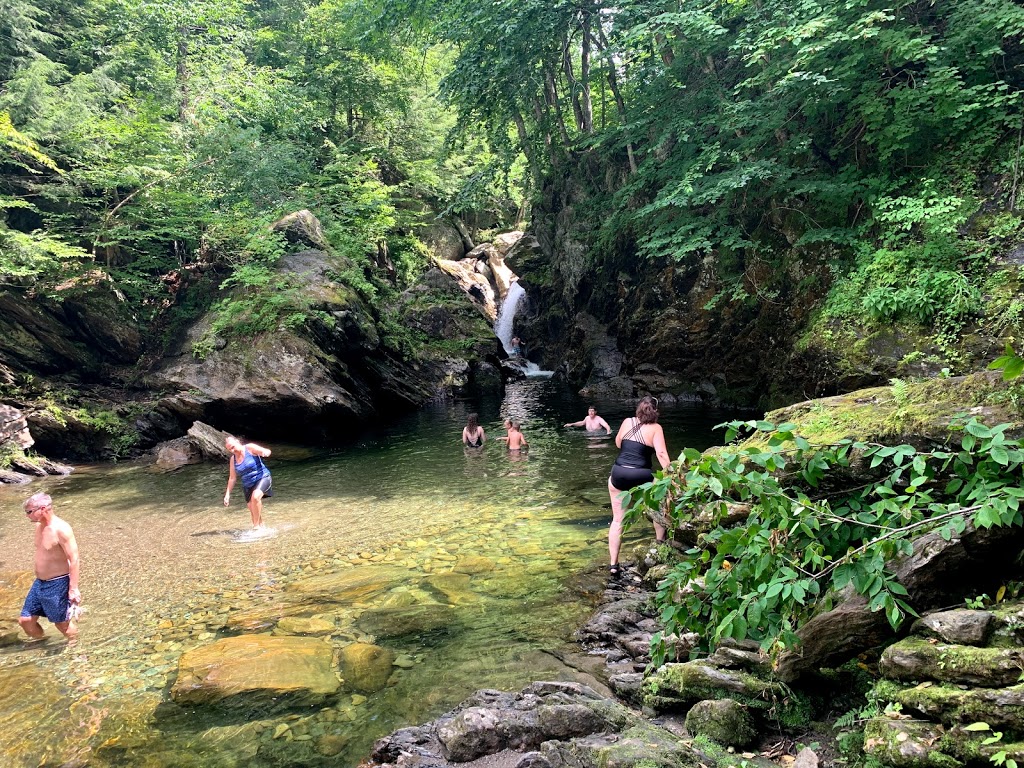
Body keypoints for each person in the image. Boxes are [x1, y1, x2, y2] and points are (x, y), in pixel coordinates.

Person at [607, 396, 671, 579]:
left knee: (618, 520)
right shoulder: (656, 428)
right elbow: (661, 454)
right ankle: (660, 544)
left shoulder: (628, 421)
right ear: (656, 411)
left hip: (618, 473)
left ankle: (613, 565)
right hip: (642, 475)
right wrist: (673, 476)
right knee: (657, 506)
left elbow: (618, 443)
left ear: (639, 409)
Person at [19, 492, 80, 641]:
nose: (27, 516)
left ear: (44, 508)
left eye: (29, 512)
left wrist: (73, 589)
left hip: (57, 583)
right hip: (40, 582)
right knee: (25, 620)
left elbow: (74, 559)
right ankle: (42, 643)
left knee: (62, 624)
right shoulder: (39, 527)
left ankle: (76, 649)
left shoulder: (61, 529)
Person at [224, 436, 273, 529]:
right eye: (230, 449)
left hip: (262, 477)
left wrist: (265, 453)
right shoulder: (232, 459)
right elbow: (232, 478)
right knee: (252, 508)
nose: (232, 450)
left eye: (233, 447)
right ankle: (262, 527)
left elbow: (266, 450)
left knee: (255, 497)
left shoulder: (249, 448)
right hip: (247, 484)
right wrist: (227, 494)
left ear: (237, 442)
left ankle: (256, 527)